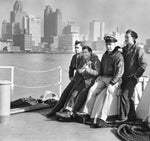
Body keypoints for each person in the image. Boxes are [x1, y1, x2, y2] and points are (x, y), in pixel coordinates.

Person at [77, 35, 124, 128]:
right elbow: (102, 67)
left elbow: (119, 73)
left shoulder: (119, 56)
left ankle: (102, 118)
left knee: (108, 93)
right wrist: (99, 76)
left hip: (114, 79)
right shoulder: (105, 55)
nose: (108, 47)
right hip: (104, 78)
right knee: (92, 89)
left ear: (115, 44)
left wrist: (112, 83)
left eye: (110, 45)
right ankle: (87, 113)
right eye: (107, 45)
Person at [55, 46, 100, 119]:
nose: (84, 54)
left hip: (90, 82)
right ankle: (67, 111)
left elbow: (98, 72)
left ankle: (72, 113)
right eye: (83, 52)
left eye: (86, 52)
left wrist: (88, 70)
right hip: (82, 81)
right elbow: (79, 70)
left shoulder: (95, 60)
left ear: (90, 53)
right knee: (73, 94)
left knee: (80, 96)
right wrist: (81, 70)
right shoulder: (83, 60)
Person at [46, 41, 83, 118]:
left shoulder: (84, 57)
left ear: (82, 48)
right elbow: (71, 68)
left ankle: (67, 112)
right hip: (75, 79)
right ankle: (55, 110)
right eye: (75, 48)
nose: (76, 49)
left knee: (72, 94)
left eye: (78, 48)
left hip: (82, 80)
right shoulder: (74, 57)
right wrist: (71, 76)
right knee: (64, 94)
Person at [118, 29, 147, 122]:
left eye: (127, 37)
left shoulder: (139, 50)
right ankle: (132, 117)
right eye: (125, 37)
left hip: (132, 78)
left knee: (124, 96)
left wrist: (136, 76)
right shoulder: (124, 49)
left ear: (133, 38)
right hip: (124, 77)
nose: (125, 39)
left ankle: (123, 118)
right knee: (130, 98)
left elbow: (144, 64)